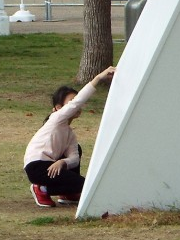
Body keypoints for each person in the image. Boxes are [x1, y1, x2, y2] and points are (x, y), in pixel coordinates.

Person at [24, 65, 116, 207]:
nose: (77, 106)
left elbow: (74, 158)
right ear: (59, 108)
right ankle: (41, 188)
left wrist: (63, 162)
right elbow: (77, 102)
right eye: (71, 102)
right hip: (37, 167)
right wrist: (98, 78)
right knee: (84, 185)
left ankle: (67, 194)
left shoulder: (69, 133)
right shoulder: (56, 119)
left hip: (52, 165)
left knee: (77, 151)